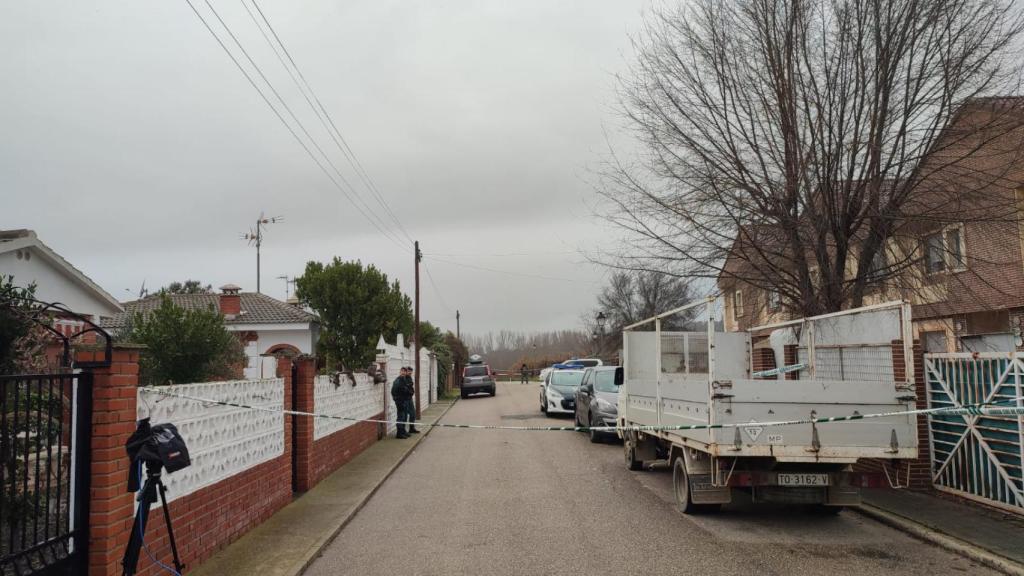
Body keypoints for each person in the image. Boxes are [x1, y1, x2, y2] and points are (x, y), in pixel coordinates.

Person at [391, 366, 419, 438]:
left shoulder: (404, 380)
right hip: (401, 402)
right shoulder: (398, 381)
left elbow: (409, 390)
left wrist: (409, 392)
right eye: (402, 371)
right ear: (400, 372)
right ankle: (399, 433)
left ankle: (403, 431)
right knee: (401, 417)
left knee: (404, 417)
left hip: (405, 400)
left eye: (405, 371)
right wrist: (397, 400)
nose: (403, 372)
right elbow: (393, 392)